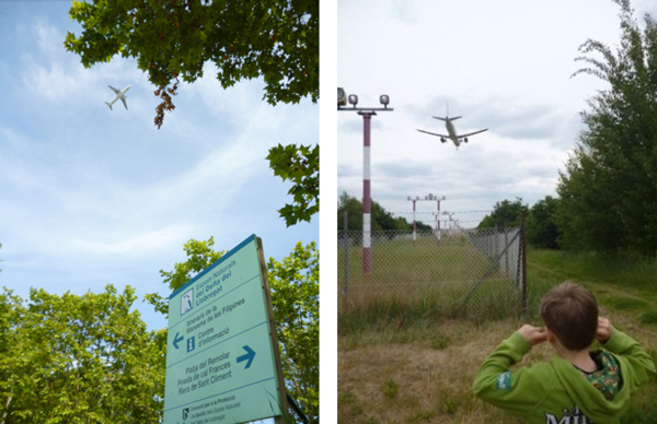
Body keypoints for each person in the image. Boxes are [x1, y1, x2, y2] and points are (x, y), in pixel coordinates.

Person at [473, 282, 656, 424]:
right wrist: (613, 337)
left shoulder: (540, 381)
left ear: (550, 334)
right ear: (596, 327)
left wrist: (517, 343)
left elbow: (484, 383)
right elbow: (645, 363)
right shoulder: (619, 371)